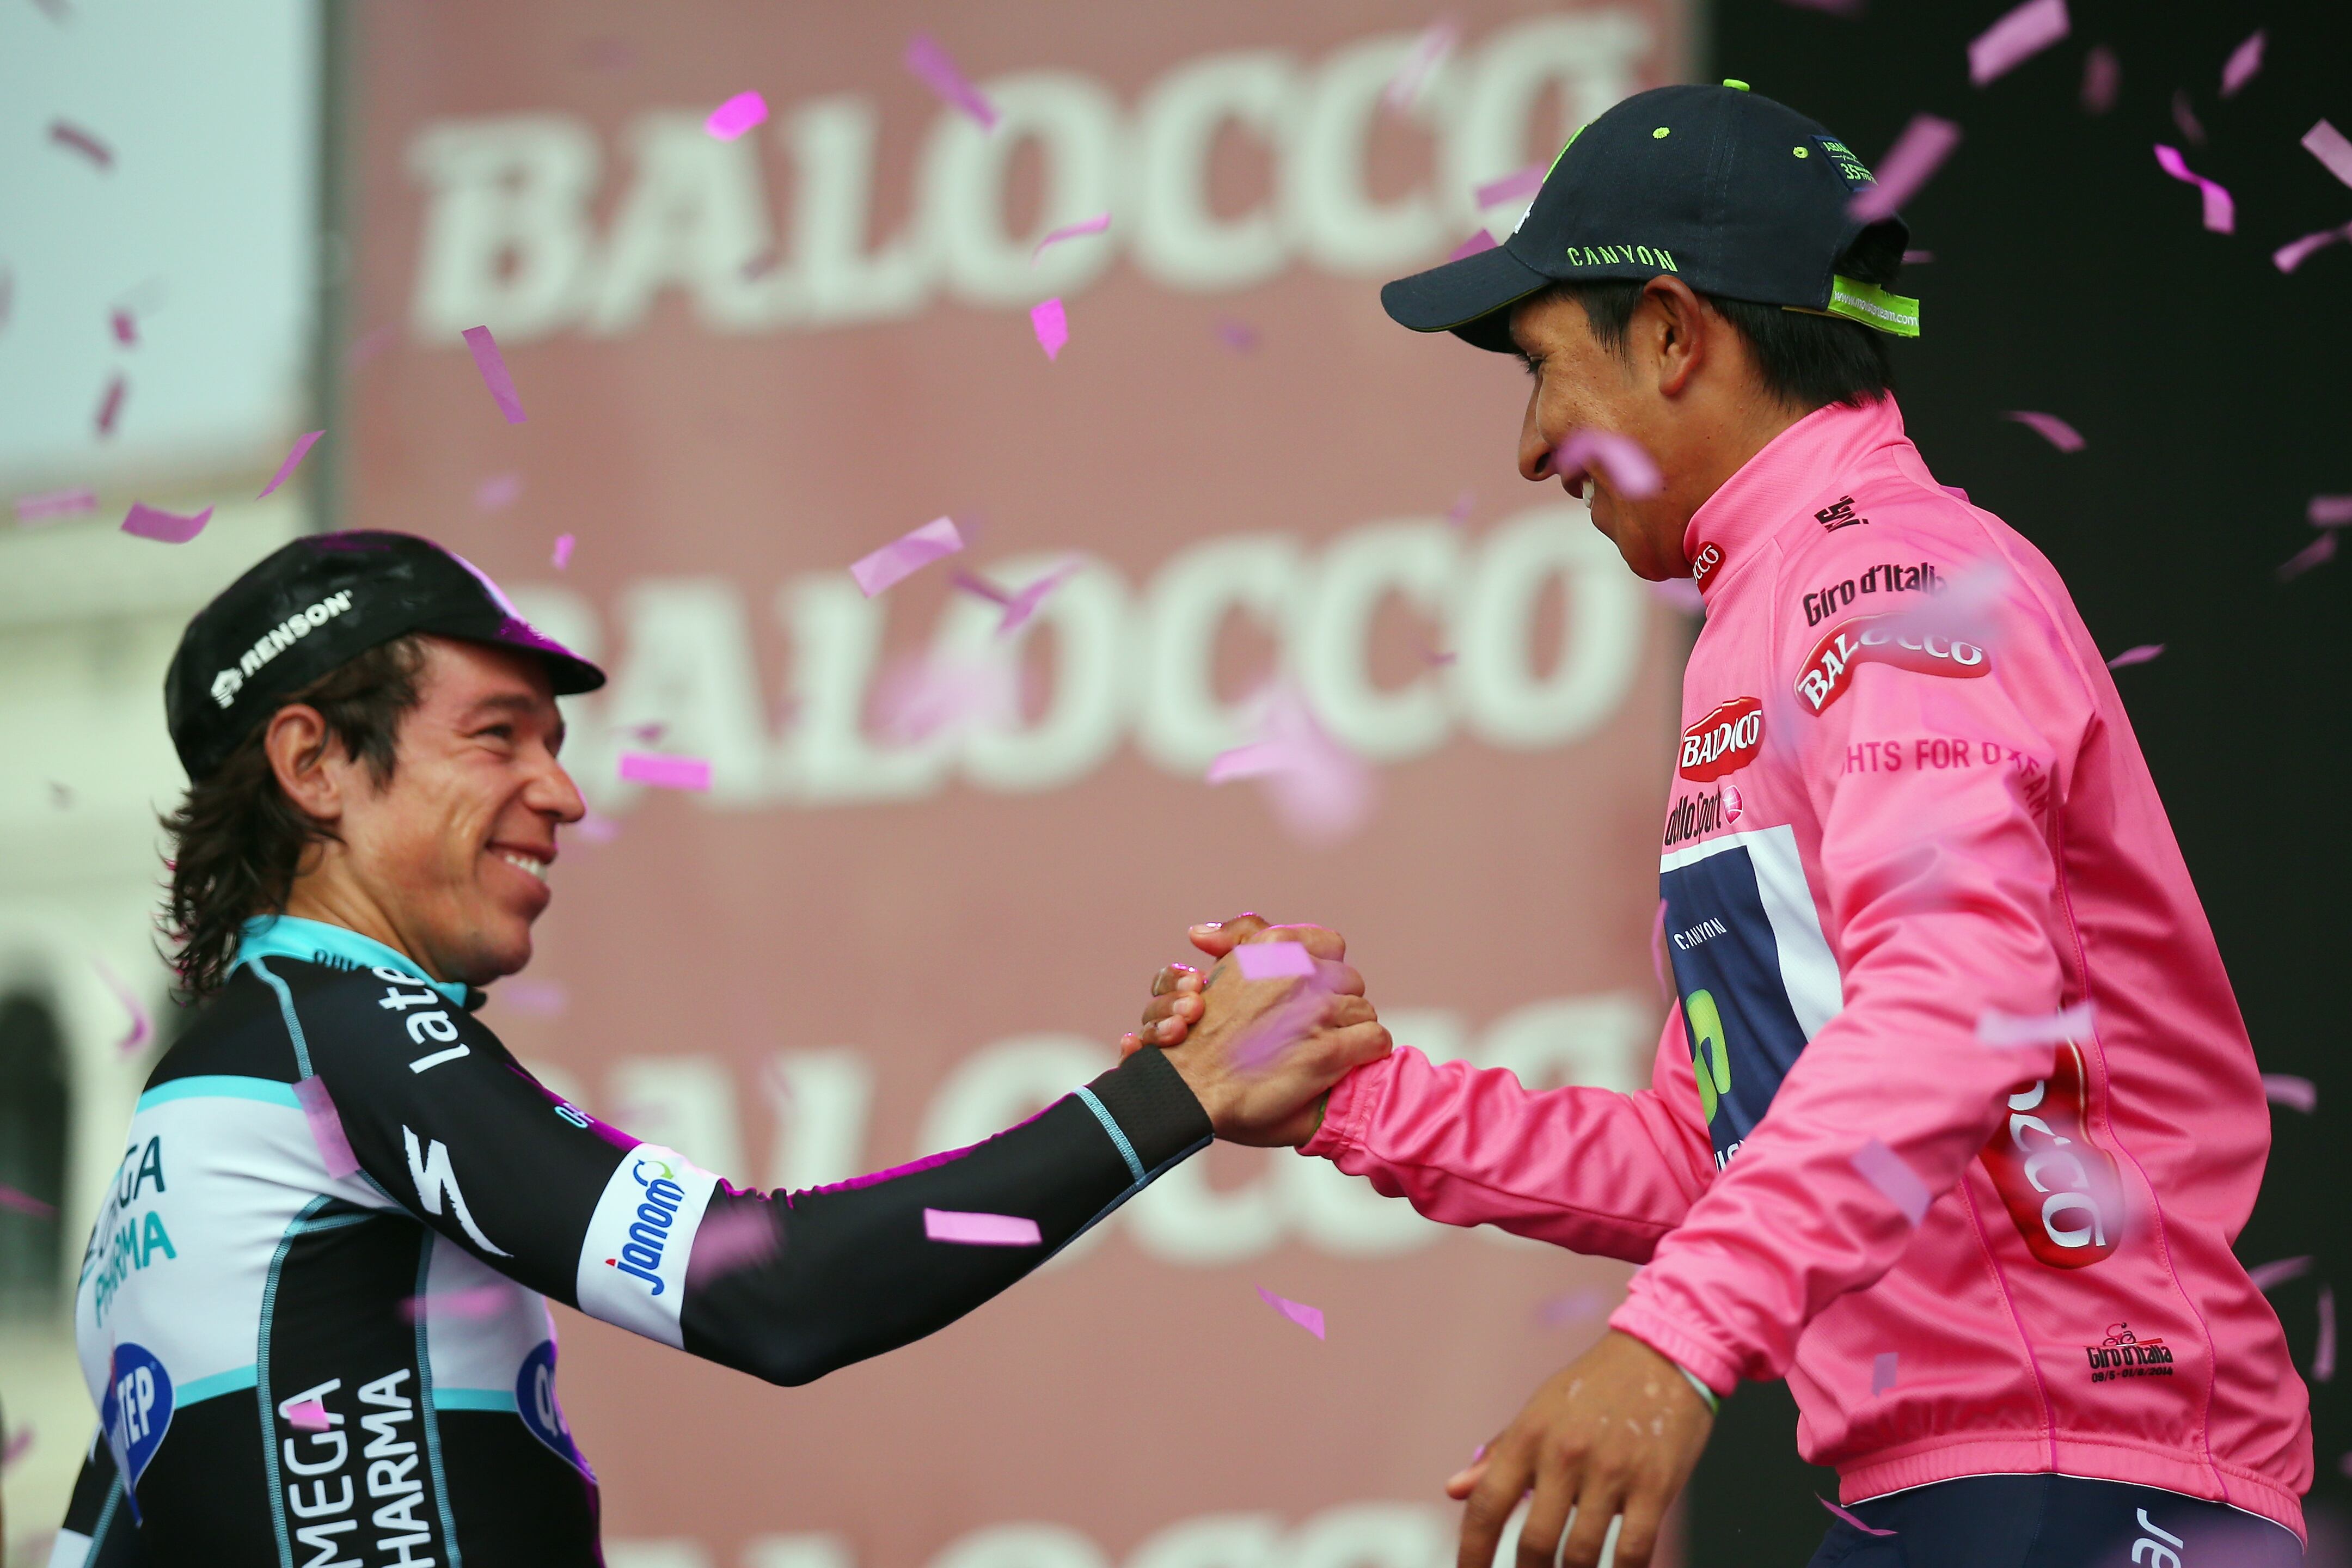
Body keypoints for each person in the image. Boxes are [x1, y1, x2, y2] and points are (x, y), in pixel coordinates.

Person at [1136, 82, 2308, 1568]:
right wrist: (1350, 1098)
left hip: (2084, 1465)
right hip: (1962, 1484)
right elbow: (1715, 1165)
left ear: (1678, 334)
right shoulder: (1772, 616)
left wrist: (1672, 1344)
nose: (1530, 446)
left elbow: (1958, 1006)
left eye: (1545, 371)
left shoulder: (1886, 586)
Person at [53, 531, 1387, 1566]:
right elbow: (776, 1294)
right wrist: (1174, 1096)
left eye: (558, 746)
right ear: (316, 765)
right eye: (496, 737)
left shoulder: (190, 1120)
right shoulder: (340, 1032)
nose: (566, 794)